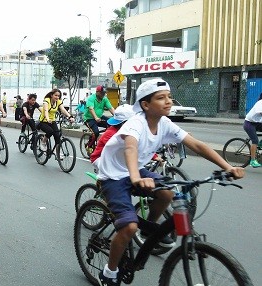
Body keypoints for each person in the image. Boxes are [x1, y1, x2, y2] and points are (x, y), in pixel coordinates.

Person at [95, 78, 245, 286]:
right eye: (161, 98)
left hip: (136, 170)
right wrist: (137, 178)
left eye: (169, 97)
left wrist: (227, 167)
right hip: (113, 175)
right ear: (146, 105)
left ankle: (148, 230)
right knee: (129, 227)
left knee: (169, 193)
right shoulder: (136, 123)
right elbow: (130, 148)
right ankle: (109, 272)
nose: (168, 101)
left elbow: (197, 145)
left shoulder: (164, 123)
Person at [38, 89, 74, 157]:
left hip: (52, 121)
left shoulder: (58, 102)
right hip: (43, 121)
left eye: (58, 96)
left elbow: (63, 110)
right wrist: (48, 119)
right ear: (51, 95)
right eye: (55, 95)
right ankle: (43, 142)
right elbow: (45, 110)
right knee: (50, 131)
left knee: (57, 136)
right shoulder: (47, 100)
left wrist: (70, 116)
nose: (57, 97)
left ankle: (57, 152)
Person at [243, 93, 262, 167]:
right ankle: (253, 161)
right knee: (255, 141)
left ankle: (260, 144)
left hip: (257, 123)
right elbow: (260, 112)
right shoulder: (260, 103)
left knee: (257, 142)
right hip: (249, 124)